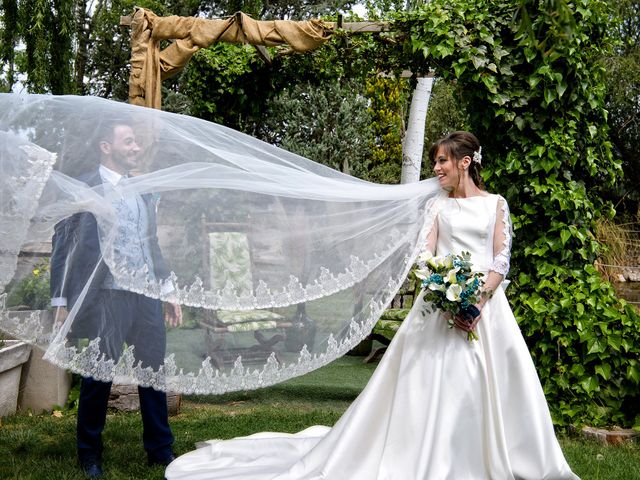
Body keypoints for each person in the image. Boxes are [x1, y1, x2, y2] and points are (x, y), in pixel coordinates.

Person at [164, 131, 579, 479]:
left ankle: (486, 460)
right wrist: (444, 293)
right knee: (424, 388)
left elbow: (500, 259)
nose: (435, 169)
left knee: (485, 383)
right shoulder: (437, 206)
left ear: (466, 162)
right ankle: (422, 456)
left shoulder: (496, 204)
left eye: (442, 162)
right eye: (435, 162)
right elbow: (424, 256)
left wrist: (476, 302)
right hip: (439, 311)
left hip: (487, 311)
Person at [50, 120, 183, 478]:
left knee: (153, 374)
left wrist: (168, 292)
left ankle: (160, 450)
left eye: (136, 142)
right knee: (99, 377)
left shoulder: (141, 190)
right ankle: (89, 453)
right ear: (106, 147)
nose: (136, 147)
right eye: (129, 142)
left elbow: (149, 243)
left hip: (146, 296)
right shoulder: (86, 188)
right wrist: (60, 302)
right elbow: (63, 244)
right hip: (106, 296)